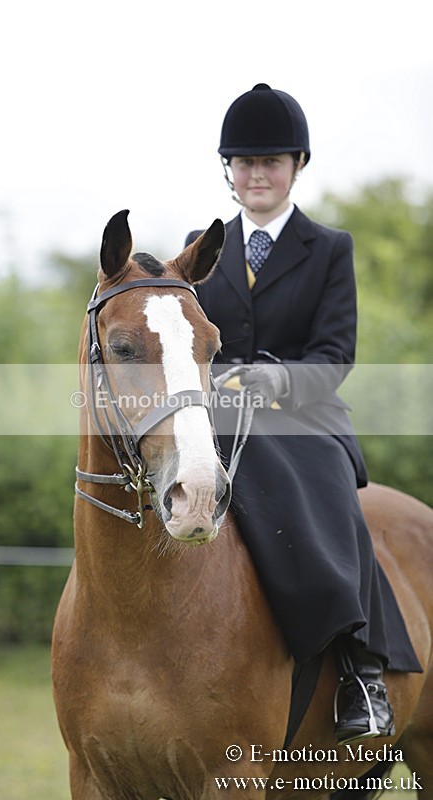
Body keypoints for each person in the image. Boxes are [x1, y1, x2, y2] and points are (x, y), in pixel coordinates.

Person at [185, 83, 421, 745]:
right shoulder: (199, 245)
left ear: (296, 167)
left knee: (330, 502)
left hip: (304, 416)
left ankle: (358, 667)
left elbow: (334, 353)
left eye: (272, 162)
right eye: (244, 162)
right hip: (220, 414)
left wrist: (272, 380)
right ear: (228, 171)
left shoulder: (329, 248)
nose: (257, 174)